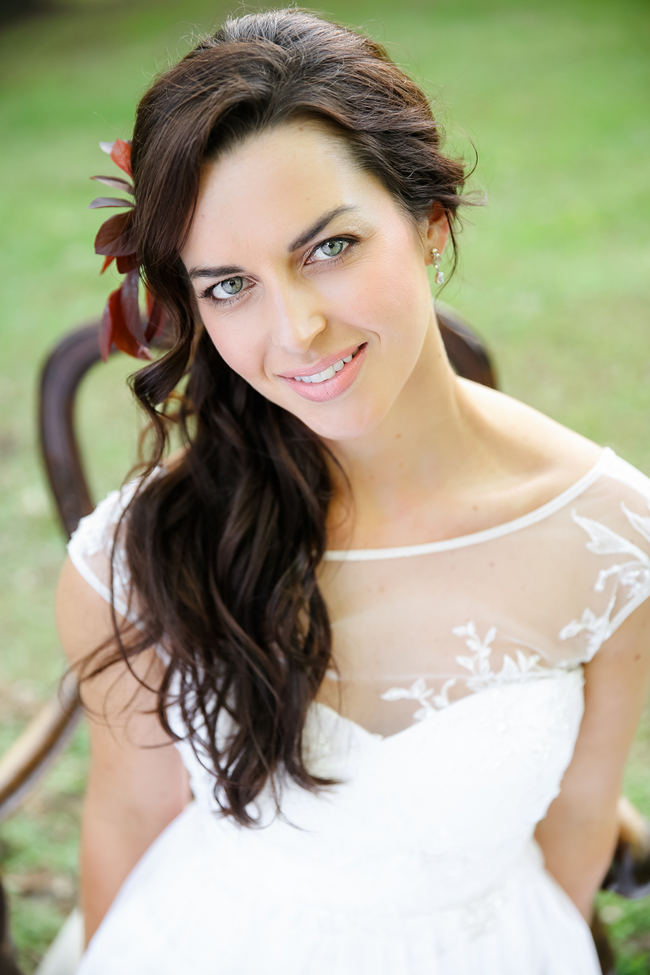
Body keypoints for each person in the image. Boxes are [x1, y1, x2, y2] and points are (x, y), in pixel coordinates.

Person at [56, 8, 650, 974]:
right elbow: (126, 815)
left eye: (328, 247)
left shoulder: (614, 536)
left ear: (429, 225)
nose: (296, 332)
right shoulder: (144, 548)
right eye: (228, 284)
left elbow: (582, 819)